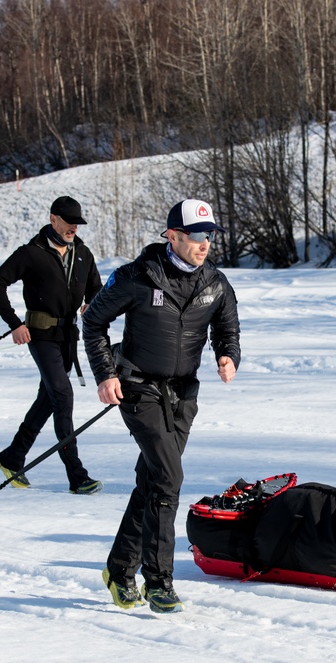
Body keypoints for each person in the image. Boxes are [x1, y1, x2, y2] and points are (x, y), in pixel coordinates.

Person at [82, 198, 241, 613]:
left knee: (153, 482)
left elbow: (227, 327)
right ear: (173, 236)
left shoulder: (216, 283)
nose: (205, 244)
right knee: (169, 478)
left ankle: (118, 570)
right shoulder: (137, 277)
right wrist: (105, 373)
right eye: (196, 236)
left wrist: (229, 355)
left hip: (183, 394)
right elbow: (94, 321)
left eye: (210, 236)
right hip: (137, 387)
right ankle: (158, 581)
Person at [0, 195, 104, 495]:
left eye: (77, 224)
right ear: (53, 219)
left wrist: (91, 303)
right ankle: (77, 476)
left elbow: (96, 289)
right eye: (68, 222)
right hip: (40, 337)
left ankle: (12, 457)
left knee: (49, 399)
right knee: (63, 397)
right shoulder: (31, 253)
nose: (73, 229)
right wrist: (15, 324)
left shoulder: (83, 254)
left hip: (68, 338)